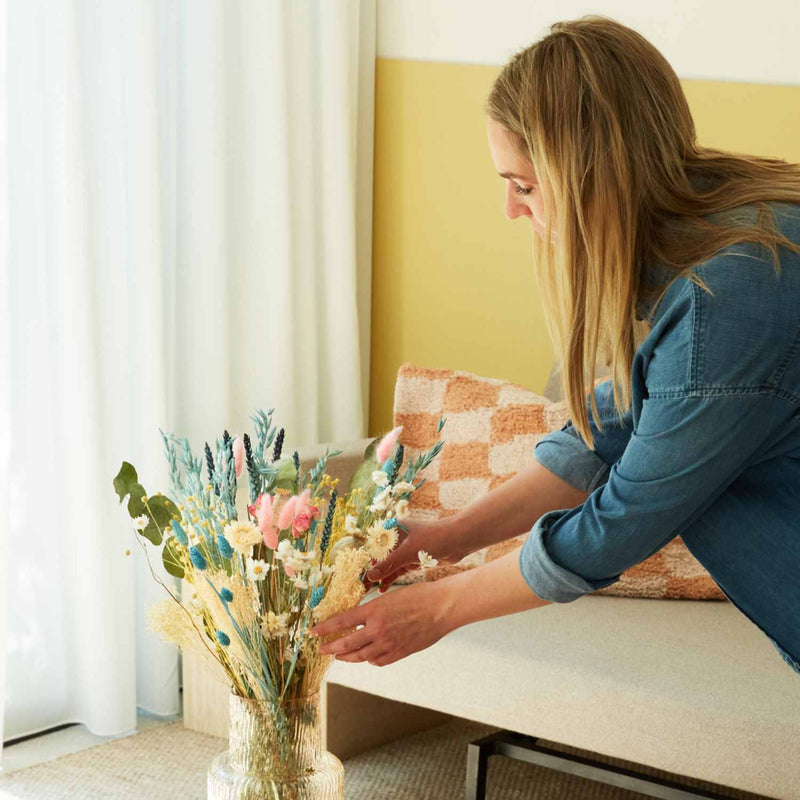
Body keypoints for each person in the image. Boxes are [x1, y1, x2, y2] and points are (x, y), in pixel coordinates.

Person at [308, 15, 800, 675]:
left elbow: (622, 519)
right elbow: (615, 426)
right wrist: (447, 537)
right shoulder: (722, 224)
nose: (513, 210)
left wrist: (436, 609)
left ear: (594, 174)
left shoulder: (732, 299)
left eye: (526, 185)